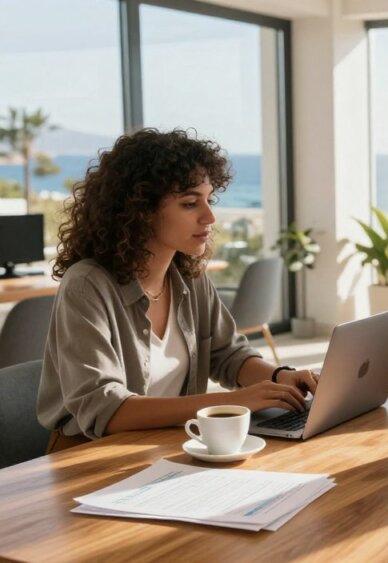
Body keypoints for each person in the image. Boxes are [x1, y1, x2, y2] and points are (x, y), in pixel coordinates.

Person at [37, 128, 318, 451]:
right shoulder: (87, 285)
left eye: (209, 200)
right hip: (87, 455)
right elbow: (104, 408)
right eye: (189, 204)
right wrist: (230, 403)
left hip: (166, 444)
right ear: (140, 210)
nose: (210, 216)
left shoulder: (189, 277)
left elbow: (227, 354)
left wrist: (279, 376)